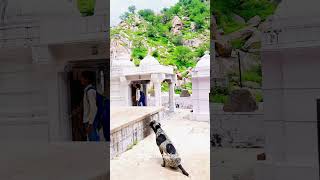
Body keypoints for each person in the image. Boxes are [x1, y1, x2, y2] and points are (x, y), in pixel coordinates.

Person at [80, 71, 100, 141]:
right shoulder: (87, 91)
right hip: (89, 120)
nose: (81, 79)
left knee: (94, 141)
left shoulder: (90, 91)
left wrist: (90, 124)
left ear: (87, 79)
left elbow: (94, 108)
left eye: (82, 78)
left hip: (90, 121)